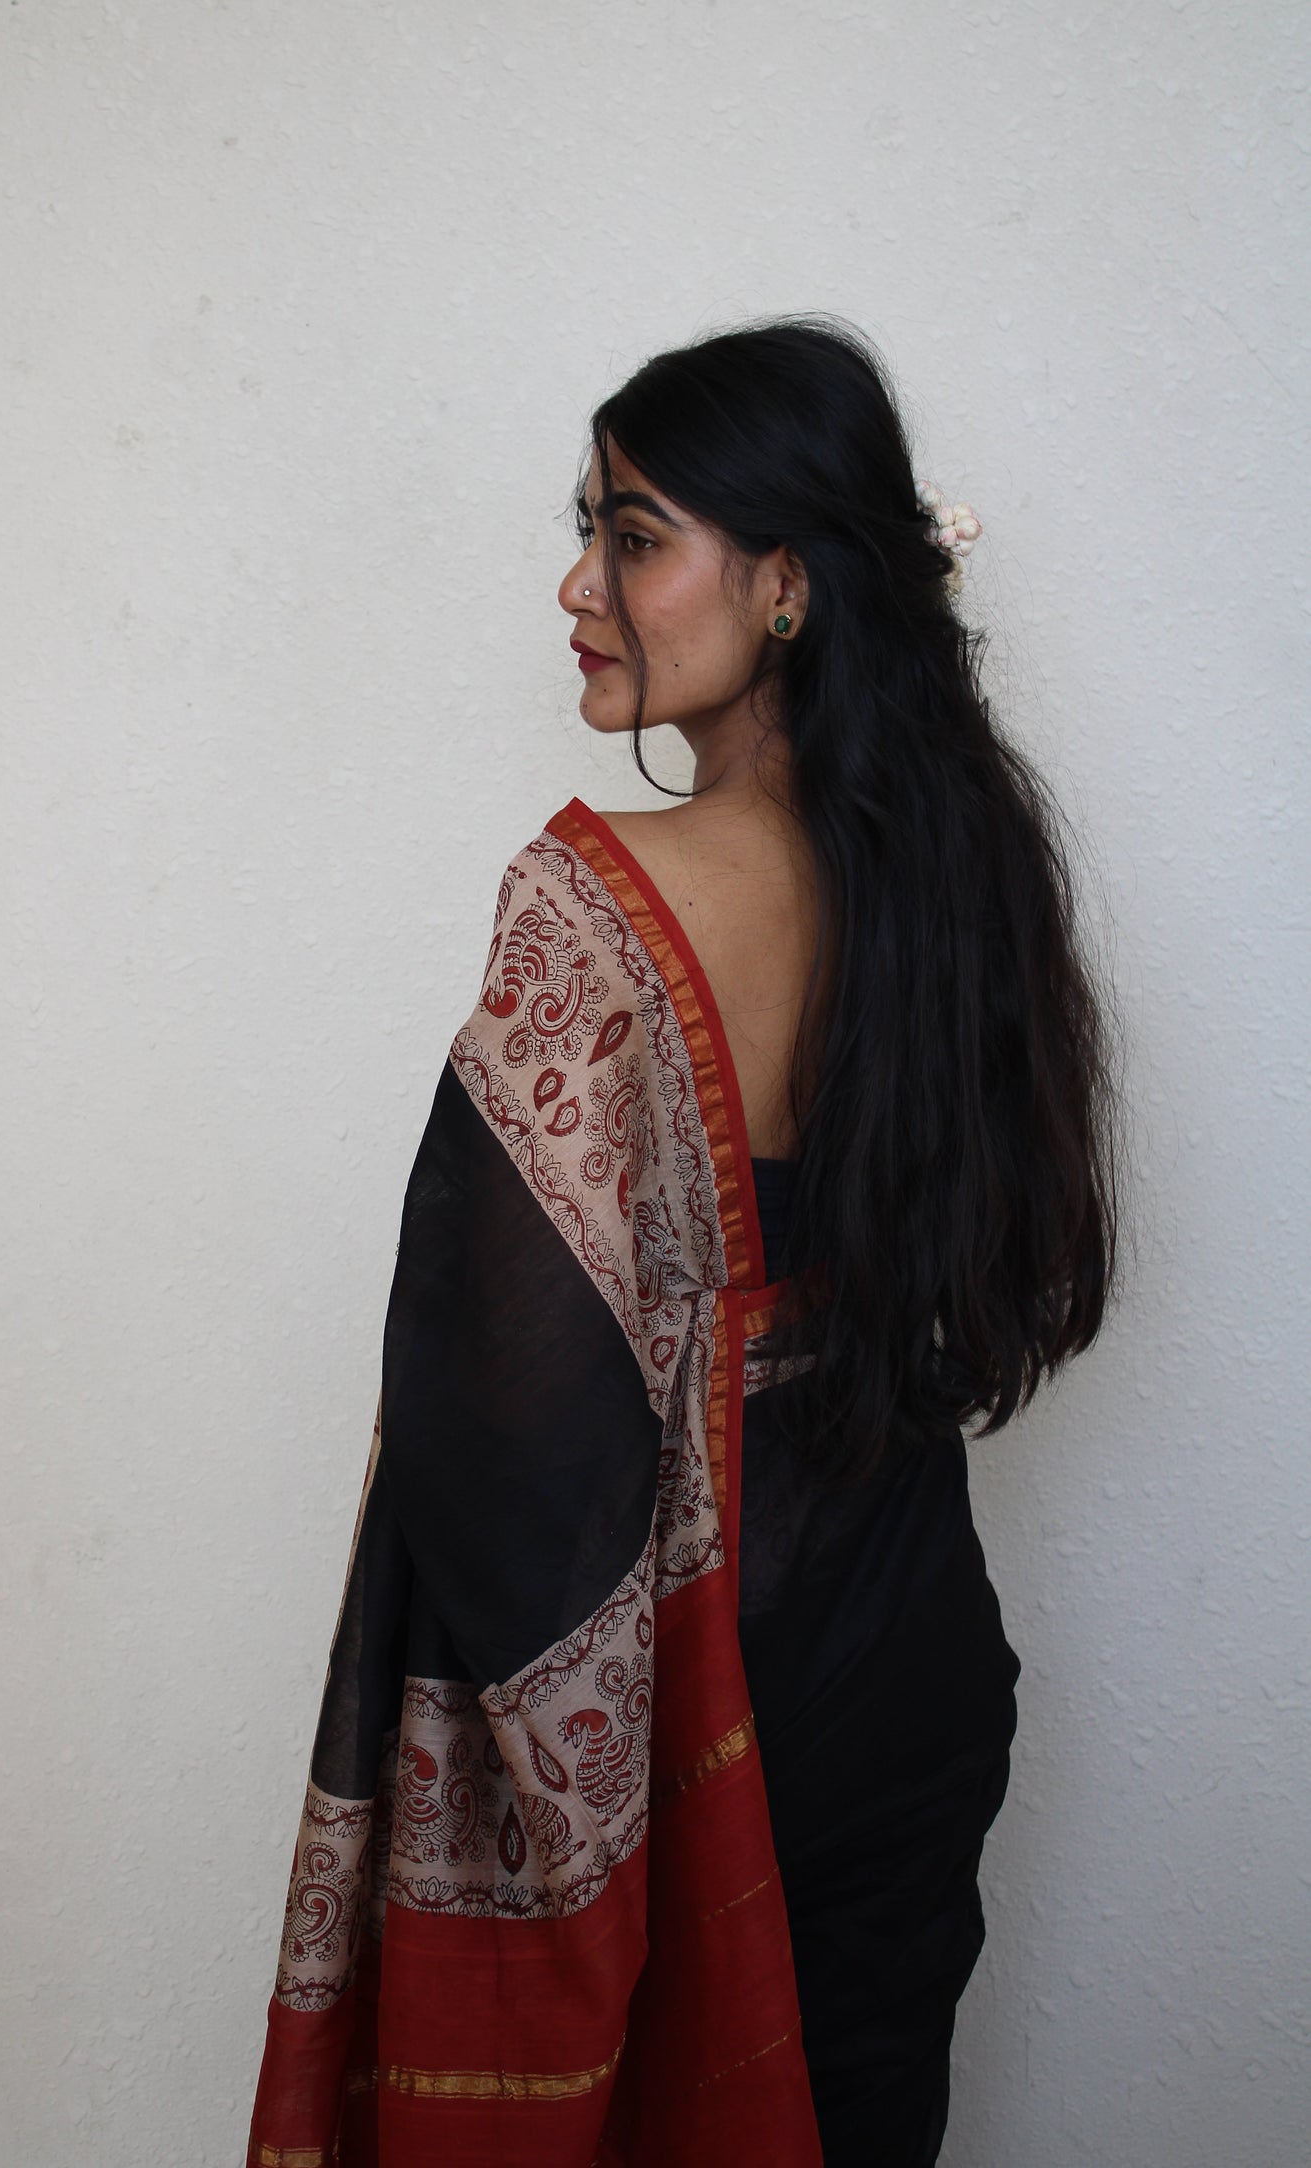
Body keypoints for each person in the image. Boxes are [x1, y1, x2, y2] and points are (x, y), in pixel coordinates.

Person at [244, 313, 1121, 2167]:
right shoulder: (962, 863)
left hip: (713, 1715)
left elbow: (494, 1420)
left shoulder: (598, 906)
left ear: (787, 585)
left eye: (634, 536)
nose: (577, 585)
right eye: (587, 527)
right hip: (913, 1667)